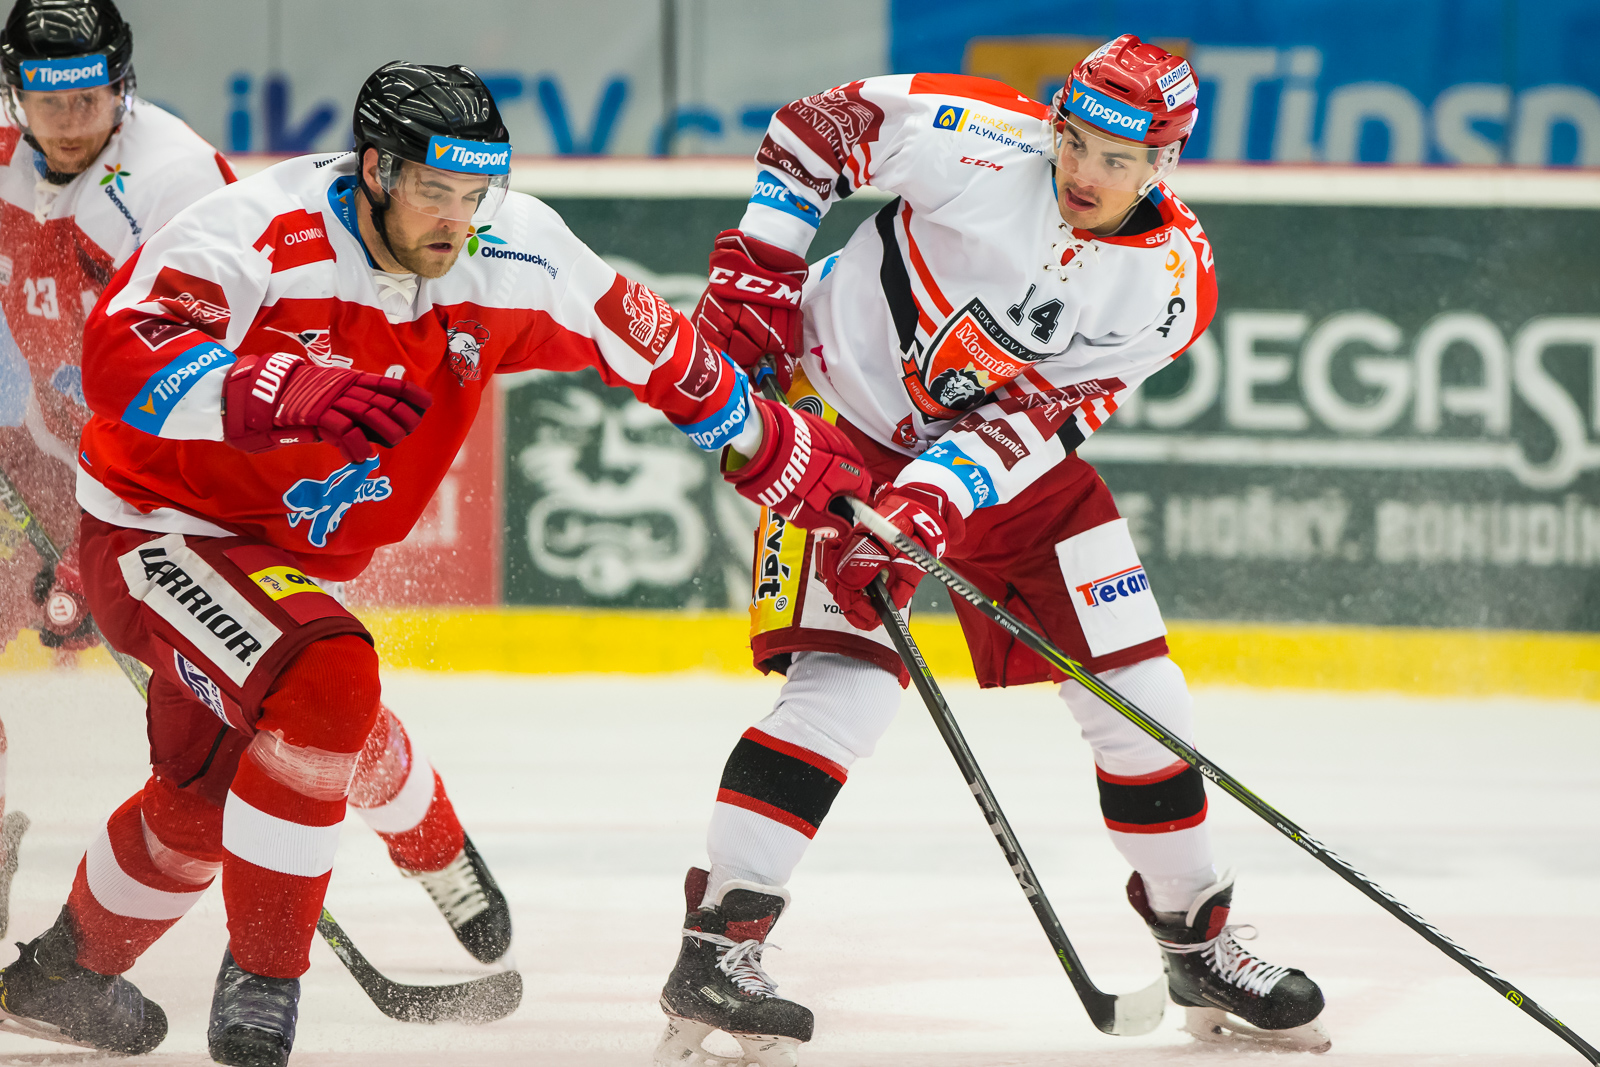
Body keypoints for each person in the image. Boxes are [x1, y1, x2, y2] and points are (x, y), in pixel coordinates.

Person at [655, 36, 1330, 1066]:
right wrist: (761, 266)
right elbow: (815, 127)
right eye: (1076, 141)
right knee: (845, 690)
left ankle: (1196, 940)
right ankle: (718, 945)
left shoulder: (1169, 286)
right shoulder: (975, 135)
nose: (1084, 171)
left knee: (1140, 695)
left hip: (1001, 470)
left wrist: (930, 498)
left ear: (1164, 162)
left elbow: (1041, 418)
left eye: (1118, 157)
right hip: (829, 422)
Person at [0, 0, 517, 1017]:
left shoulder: (172, 183)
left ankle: (432, 842)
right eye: (45, 100)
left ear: (124, 85)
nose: (68, 122)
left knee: (302, 695)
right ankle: (52, 952)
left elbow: (202, 371)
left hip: (193, 493)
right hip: (66, 462)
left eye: (90, 96)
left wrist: (104, 528)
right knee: (244, 747)